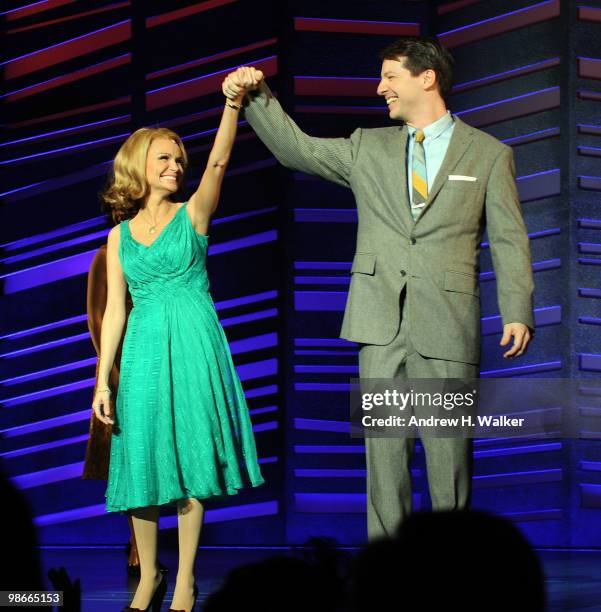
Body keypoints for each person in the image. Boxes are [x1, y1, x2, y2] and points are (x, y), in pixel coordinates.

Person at [222, 36, 534, 541]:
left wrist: (516, 309)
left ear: (425, 77)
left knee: (447, 457)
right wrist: (256, 96)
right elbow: (295, 149)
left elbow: (508, 237)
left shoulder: (489, 154)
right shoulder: (368, 146)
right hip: (379, 322)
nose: (379, 87)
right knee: (384, 457)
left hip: (447, 322)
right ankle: (387, 575)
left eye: (390, 76)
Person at [92, 87, 265, 611]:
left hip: (193, 342)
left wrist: (232, 106)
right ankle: (148, 577)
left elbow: (219, 158)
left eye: (178, 159)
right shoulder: (119, 236)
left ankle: (186, 580)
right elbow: (115, 309)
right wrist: (103, 380)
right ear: (136, 166)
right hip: (143, 349)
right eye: (163, 157)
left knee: (192, 461)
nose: (175, 165)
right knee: (141, 461)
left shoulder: (194, 214)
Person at [83, 223, 168, 577]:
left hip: (158, 360)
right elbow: (98, 318)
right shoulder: (108, 253)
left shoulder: (160, 250)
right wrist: (113, 375)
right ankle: (137, 545)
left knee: (159, 455)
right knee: (128, 460)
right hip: (122, 369)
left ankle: (146, 549)